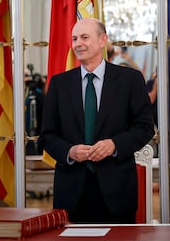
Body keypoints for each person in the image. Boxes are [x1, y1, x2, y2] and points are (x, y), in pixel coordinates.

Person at [38, 18, 153, 224]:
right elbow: (47, 136)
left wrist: (114, 145)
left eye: (84, 37)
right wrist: (69, 152)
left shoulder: (130, 80)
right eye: (74, 39)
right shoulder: (58, 84)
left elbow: (144, 127)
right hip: (71, 193)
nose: (78, 44)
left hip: (117, 191)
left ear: (103, 40)